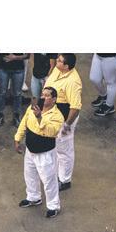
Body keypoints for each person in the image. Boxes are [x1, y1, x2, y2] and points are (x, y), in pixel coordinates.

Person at [15, 87, 65, 218]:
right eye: (42, 94)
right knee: (30, 175)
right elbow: (24, 122)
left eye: (47, 95)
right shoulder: (34, 107)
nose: (43, 97)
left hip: (45, 153)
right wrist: (17, 138)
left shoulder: (57, 116)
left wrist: (39, 117)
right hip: (30, 151)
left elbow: (51, 132)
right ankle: (33, 197)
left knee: (49, 181)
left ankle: (53, 206)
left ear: (54, 99)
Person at [44, 53, 83, 189]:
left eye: (60, 60)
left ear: (66, 66)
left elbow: (75, 107)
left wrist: (67, 125)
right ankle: (57, 174)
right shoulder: (57, 69)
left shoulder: (73, 81)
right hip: (53, 116)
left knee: (64, 150)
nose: (57, 61)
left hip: (65, 119)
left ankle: (65, 180)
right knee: (55, 148)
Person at [90, 53, 116, 118]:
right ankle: (103, 96)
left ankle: (109, 106)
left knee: (110, 82)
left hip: (112, 57)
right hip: (98, 54)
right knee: (94, 78)